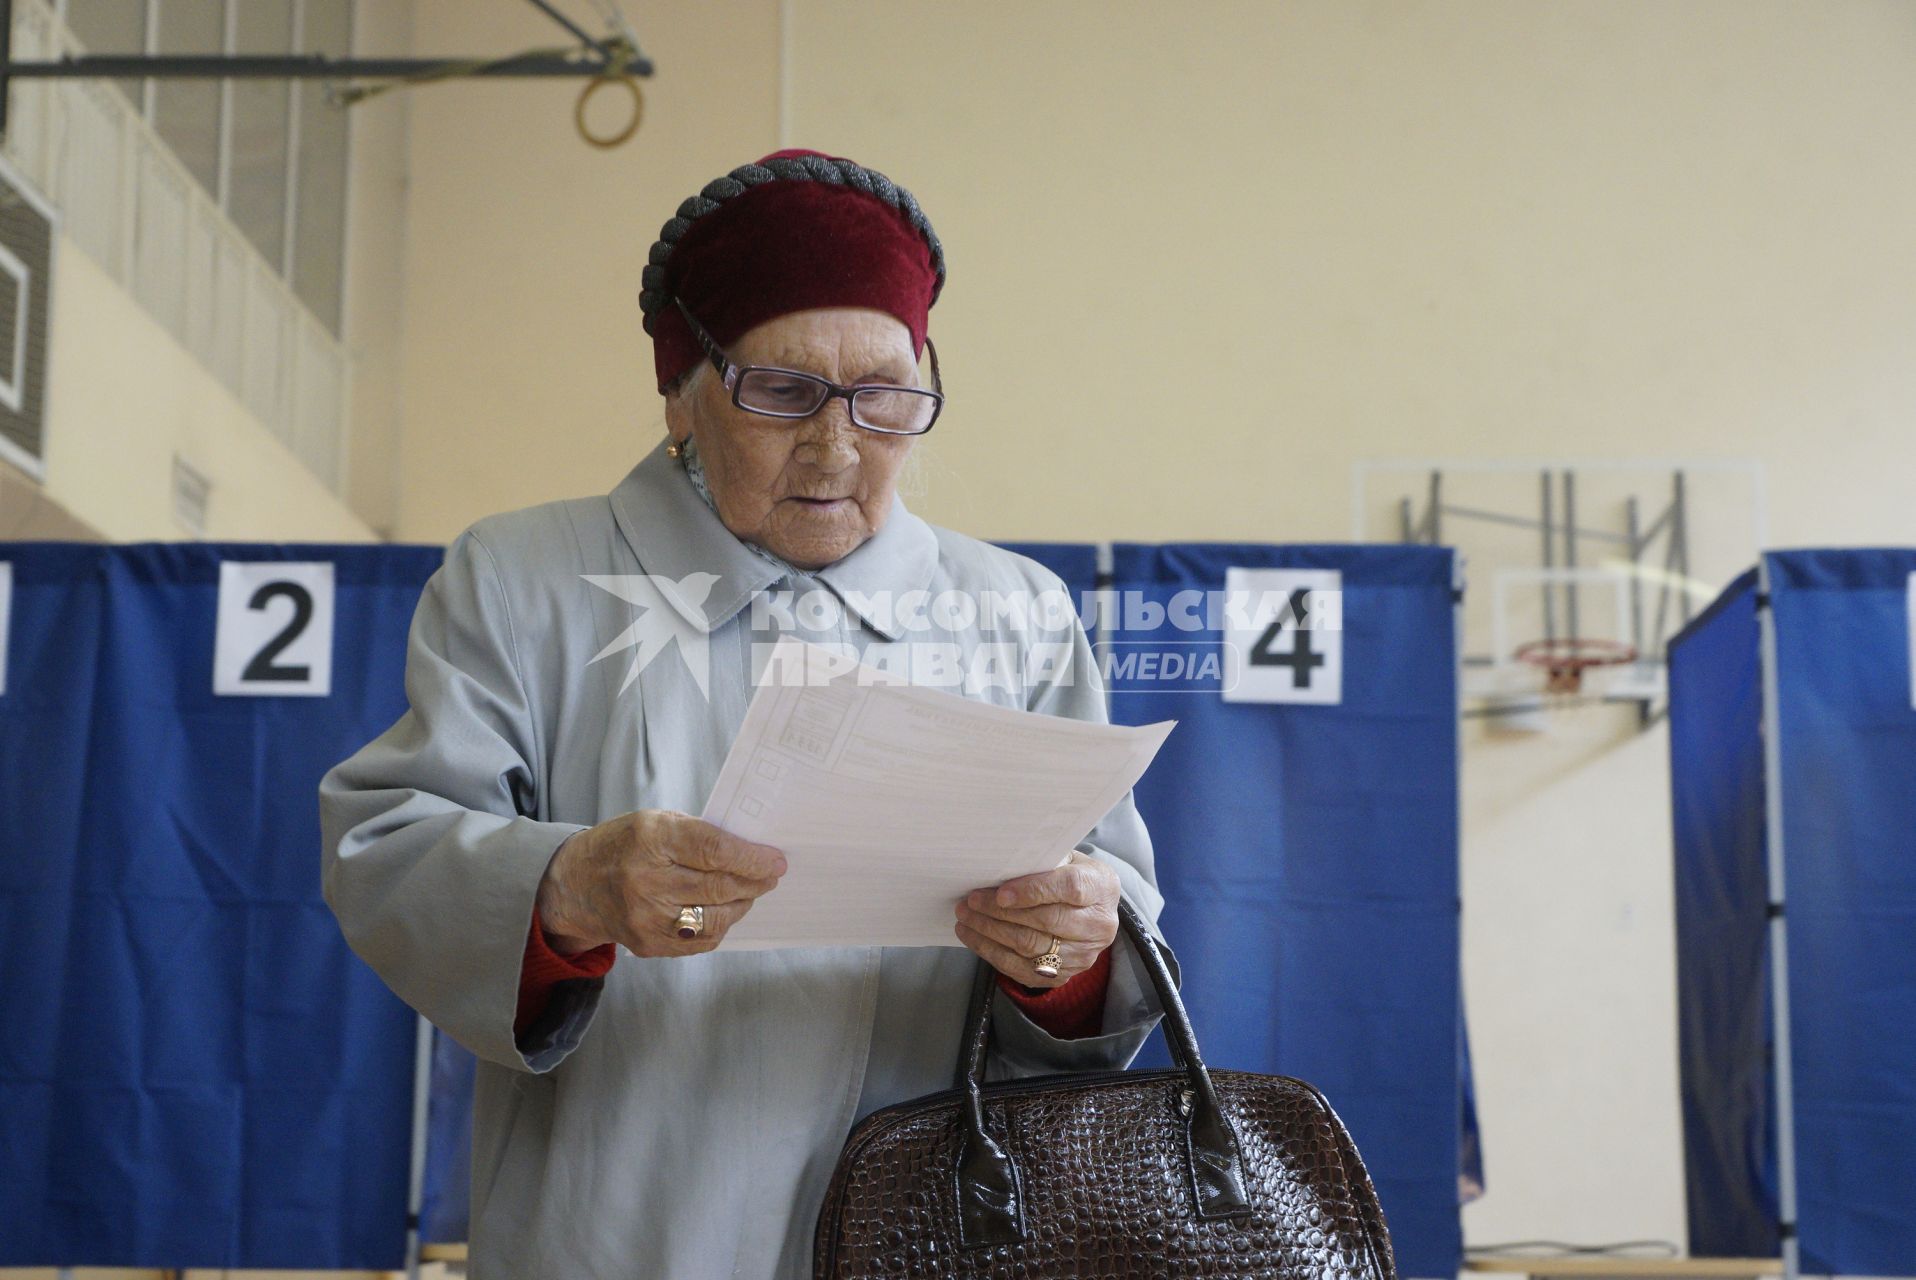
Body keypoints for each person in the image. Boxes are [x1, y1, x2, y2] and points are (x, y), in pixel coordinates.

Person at [319, 149, 1173, 1280]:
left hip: (940, 1226)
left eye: (883, 395)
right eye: (780, 393)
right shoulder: (527, 576)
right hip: (627, 1219)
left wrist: (1061, 955)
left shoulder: (1011, 607)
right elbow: (389, 845)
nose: (836, 445)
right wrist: (567, 887)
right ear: (681, 393)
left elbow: (1111, 923)